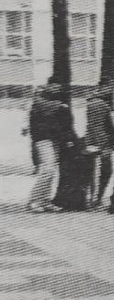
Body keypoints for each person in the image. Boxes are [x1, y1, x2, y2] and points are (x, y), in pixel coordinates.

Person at [27, 83, 76, 213]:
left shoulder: (47, 103)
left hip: (51, 140)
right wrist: (61, 105)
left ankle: (44, 200)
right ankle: (34, 200)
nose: (57, 91)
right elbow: (46, 106)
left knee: (51, 170)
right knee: (48, 170)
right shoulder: (39, 102)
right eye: (54, 88)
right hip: (43, 139)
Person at [86, 82, 114, 208]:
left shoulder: (88, 103)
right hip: (103, 142)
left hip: (89, 141)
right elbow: (111, 126)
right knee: (106, 171)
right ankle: (97, 198)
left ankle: (91, 198)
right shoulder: (104, 106)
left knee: (92, 171)